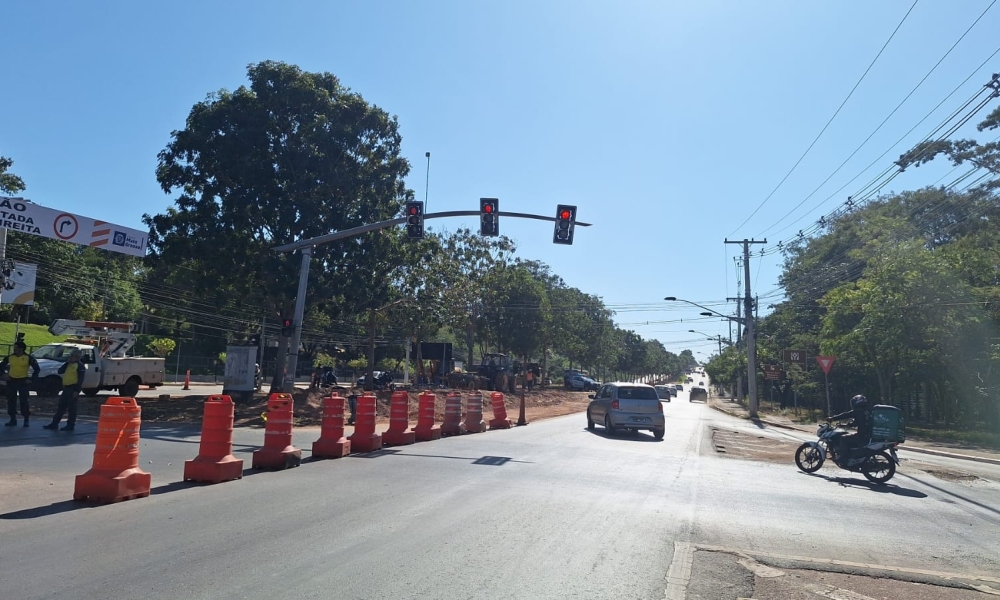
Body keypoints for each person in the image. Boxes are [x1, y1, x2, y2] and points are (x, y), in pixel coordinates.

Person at [44, 349, 86, 431]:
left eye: (72, 356)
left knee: (72, 408)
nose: (71, 357)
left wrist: (77, 391)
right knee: (61, 407)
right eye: (70, 356)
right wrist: (67, 363)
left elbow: (80, 379)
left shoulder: (80, 366)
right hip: (66, 388)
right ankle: (54, 423)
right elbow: (60, 371)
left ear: (77, 357)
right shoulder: (69, 364)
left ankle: (70, 425)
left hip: (73, 388)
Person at [2, 341, 40, 427]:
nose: (14, 349)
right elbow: (2, 365)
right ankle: (12, 419)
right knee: (11, 400)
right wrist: (3, 374)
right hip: (12, 380)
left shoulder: (28, 358)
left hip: (23, 381)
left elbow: (37, 369)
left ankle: (26, 419)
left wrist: (31, 379)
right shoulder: (10, 357)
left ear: (21, 348)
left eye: (16, 347)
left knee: (24, 401)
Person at [829, 394, 872, 464]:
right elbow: (857, 423)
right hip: (866, 435)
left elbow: (846, 415)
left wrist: (833, 418)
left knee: (843, 438)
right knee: (848, 436)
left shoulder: (858, 411)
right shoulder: (865, 412)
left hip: (861, 436)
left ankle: (843, 458)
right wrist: (847, 425)